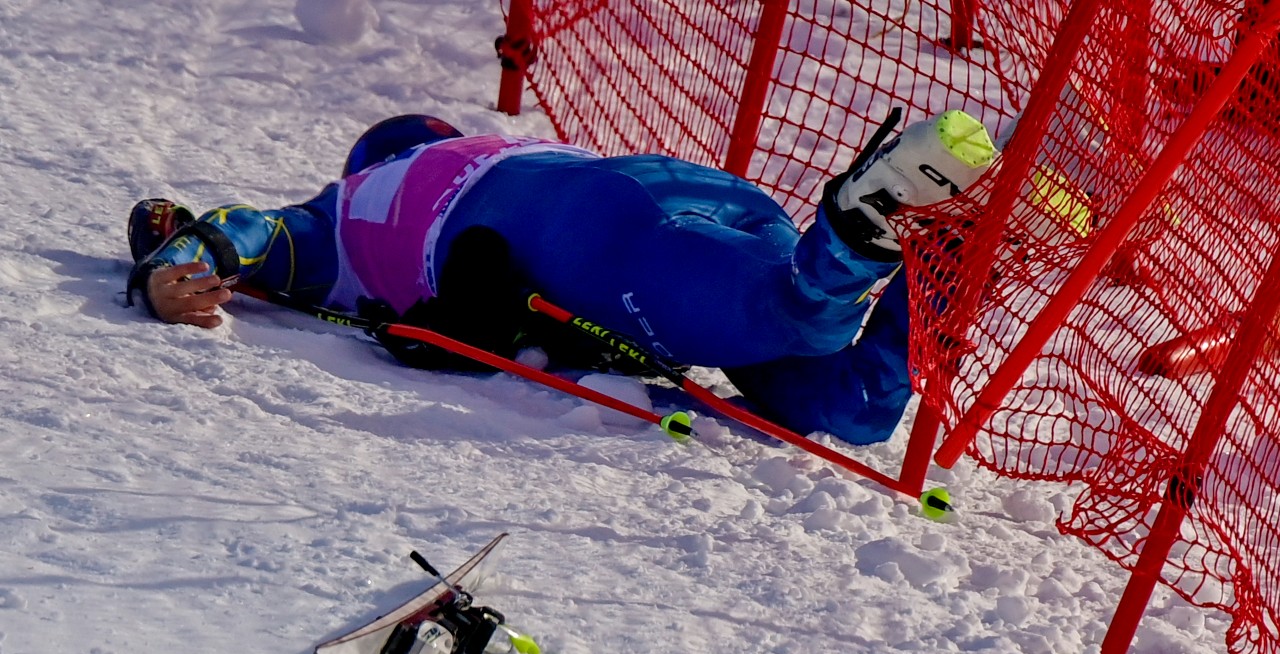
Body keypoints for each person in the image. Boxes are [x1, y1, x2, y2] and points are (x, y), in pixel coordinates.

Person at [125, 111, 995, 445]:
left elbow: (248, 233)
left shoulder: (343, 212)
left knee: (796, 316)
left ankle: (859, 226)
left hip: (578, 233)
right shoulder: (480, 151)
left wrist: (177, 267)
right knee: (851, 409)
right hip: (684, 200)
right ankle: (942, 261)